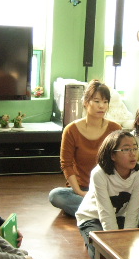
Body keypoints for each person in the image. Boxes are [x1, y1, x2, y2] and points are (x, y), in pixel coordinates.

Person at [49, 80, 121, 216]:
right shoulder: (71, 130)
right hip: (81, 188)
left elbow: (120, 161)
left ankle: (91, 212)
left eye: (105, 102)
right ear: (86, 102)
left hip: (107, 188)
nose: (102, 106)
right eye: (97, 101)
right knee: (56, 195)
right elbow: (66, 164)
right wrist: (79, 192)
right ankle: (103, 212)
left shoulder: (115, 129)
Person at [75, 130, 139, 259]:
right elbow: (105, 212)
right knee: (103, 256)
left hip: (119, 216)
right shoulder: (99, 174)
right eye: (126, 149)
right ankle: (89, 238)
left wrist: (127, 243)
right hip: (92, 217)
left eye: (135, 148)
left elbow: (133, 211)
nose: (133, 154)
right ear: (113, 155)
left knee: (135, 249)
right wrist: (115, 247)